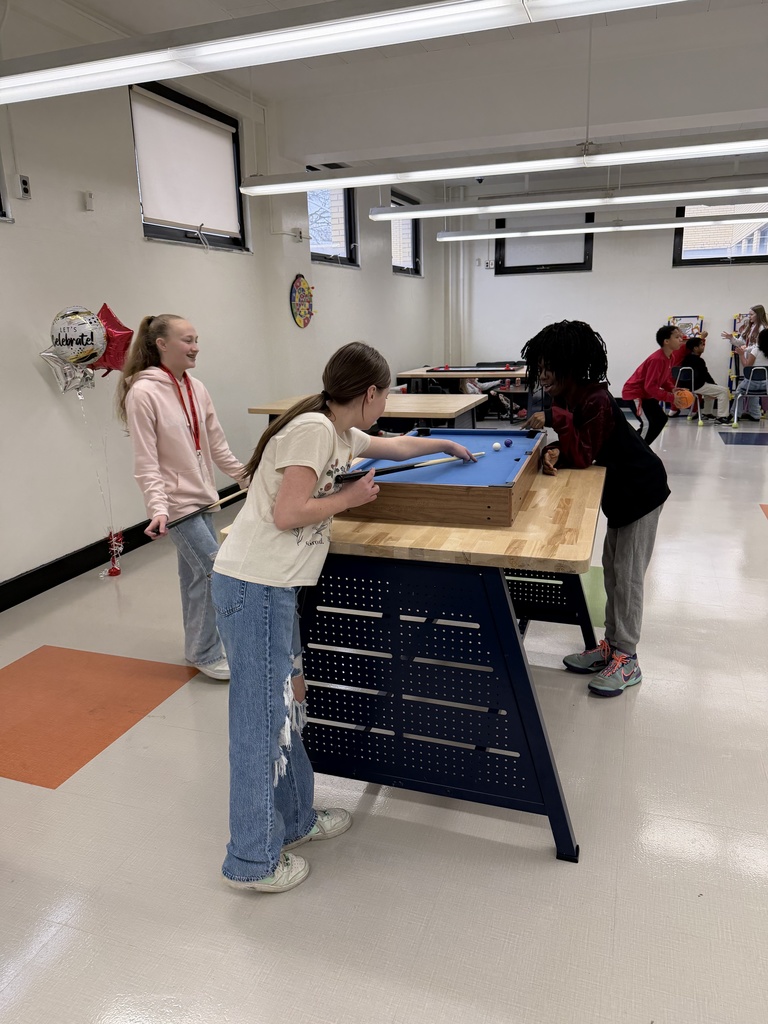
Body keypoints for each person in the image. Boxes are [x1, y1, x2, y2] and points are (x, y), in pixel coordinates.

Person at [212, 341, 475, 893]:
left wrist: (446, 442)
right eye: (387, 396)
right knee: (261, 724)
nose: (387, 406)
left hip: (275, 589)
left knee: (289, 708)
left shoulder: (340, 429)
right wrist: (349, 499)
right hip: (254, 586)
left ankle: (296, 820)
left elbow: (394, 444)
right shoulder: (312, 431)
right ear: (370, 393)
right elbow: (289, 513)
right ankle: (252, 860)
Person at [522, 321, 670, 698]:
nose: (543, 375)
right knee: (612, 575)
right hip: (620, 498)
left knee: (629, 577)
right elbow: (579, 450)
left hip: (641, 493)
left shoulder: (596, 400)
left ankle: (628, 658)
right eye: (539, 367)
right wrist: (557, 449)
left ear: (571, 364)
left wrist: (559, 422)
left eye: (548, 366)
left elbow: (585, 454)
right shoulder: (571, 400)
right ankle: (611, 645)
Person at [118, 314, 247, 681]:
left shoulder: (196, 387)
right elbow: (146, 461)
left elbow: (217, 446)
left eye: (196, 339)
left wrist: (245, 475)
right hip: (176, 506)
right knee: (214, 571)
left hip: (203, 498)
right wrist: (157, 508)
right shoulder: (142, 393)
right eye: (188, 340)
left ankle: (197, 646)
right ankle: (206, 651)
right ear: (161, 344)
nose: (196, 347)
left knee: (194, 575)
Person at [622, 325, 688, 445]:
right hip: (635, 394)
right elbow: (650, 386)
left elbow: (663, 380)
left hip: (646, 394)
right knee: (648, 424)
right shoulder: (657, 359)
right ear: (666, 341)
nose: (681, 339)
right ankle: (636, 454)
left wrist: (672, 389)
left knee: (661, 419)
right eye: (677, 337)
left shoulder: (670, 357)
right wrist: (671, 398)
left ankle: (635, 449)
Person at [679, 335, 731, 422]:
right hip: (697, 385)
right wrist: (715, 385)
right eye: (702, 345)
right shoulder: (699, 361)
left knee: (710, 391)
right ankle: (722, 417)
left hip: (687, 385)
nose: (703, 346)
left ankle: (707, 413)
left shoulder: (686, 359)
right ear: (695, 348)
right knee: (723, 391)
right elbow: (705, 375)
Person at [732, 327, 768, 420]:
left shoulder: (756, 350)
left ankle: (735, 414)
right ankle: (755, 414)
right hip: (767, 385)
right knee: (754, 392)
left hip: (752, 383)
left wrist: (740, 354)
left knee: (739, 392)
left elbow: (747, 366)